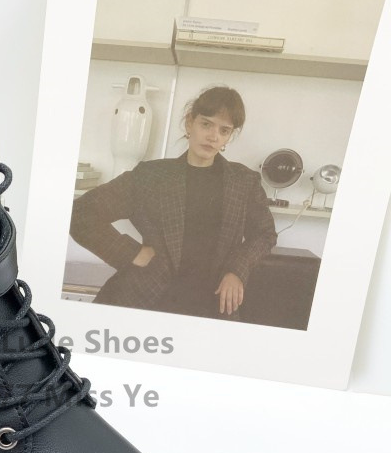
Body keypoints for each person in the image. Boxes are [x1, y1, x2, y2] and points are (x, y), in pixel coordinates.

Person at [69, 85, 277, 319]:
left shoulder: (244, 182)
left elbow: (265, 234)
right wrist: (131, 252)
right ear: (190, 123)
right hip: (146, 300)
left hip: (214, 304)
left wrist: (237, 271)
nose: (213, 136)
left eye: (224, 130)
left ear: (229, 136)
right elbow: (80, 213)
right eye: (206, 124)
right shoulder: (150, 176)